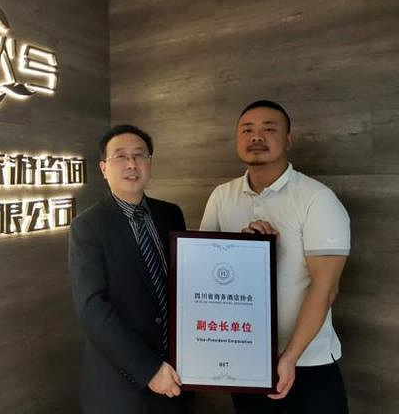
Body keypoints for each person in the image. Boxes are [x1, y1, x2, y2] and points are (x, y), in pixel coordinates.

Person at [200, 100, 350, 413]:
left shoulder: (317, 198)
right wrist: (244, 252)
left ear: (288, 140)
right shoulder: (221, 197)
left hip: (307, 362)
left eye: (269, 129)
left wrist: (290, 357)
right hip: (245, 358)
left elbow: (326, 288)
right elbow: (206, 273)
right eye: (247, 130)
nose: (256, 136)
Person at [68, 125, 194, 413]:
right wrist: (149, 369)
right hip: (121, 384)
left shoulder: (171, 214)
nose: (131, 164)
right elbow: (92, 309)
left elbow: (184, 283)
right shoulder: (88, 226)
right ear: (104, 168)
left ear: (150, 163)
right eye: (121, 156)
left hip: (177, 374)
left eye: (139, 155)